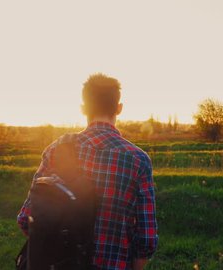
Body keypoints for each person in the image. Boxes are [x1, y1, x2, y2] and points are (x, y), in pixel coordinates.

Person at [17, 73, 158, 270]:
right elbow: (146, 238)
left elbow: (25, 219)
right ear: (119, 108)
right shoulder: (138, 160)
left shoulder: (57, 149)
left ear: (83, 109)